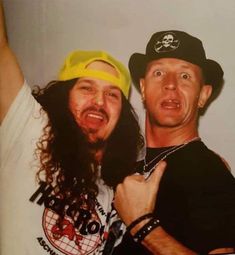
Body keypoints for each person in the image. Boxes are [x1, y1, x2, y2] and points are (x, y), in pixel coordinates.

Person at [0, 3, 145, 254]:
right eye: (86, 88)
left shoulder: (112, 187)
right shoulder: (29, 126)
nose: (99, 102)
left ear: (121, 116)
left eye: (112, 95)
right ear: (64, 97)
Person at [113, 30, 235, 254]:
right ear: (143, 88)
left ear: (203, 95)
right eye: (158, 73)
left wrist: (143, 226)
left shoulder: (211, 177)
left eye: (185, 76)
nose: (170, 84)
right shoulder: (124, 162)